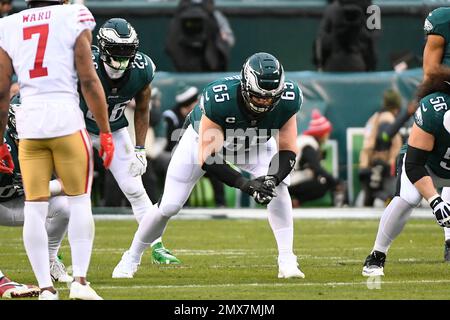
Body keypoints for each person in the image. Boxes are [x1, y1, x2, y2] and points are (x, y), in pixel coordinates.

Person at [113, 52, 306, 279]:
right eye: (258, 96)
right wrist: (246, 184)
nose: (264, 102)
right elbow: (208, 157)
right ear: (245, 88)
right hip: (204, 143)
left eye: (270, 97)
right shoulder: (220, 98)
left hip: (255, 143)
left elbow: (288, 148)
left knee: (279, 186)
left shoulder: (289, 98)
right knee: (170, 206)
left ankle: (286, 260)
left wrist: (271, 179)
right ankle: (131, 257)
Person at [0, 0, 114, 300]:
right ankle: (79, 281)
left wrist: (0, 140)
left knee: (34, 208)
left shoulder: (9, 24)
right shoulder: (73, 13)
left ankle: (47, 289)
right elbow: (88, 79)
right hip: (64, 117)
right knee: (79, 201)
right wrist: (104, 130)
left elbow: (1, 92)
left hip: (30, 121)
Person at [80, 18, 179, 267]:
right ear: (102, 48)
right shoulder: (83, 63)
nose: (122, 59)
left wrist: (139, 147)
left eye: (127, 51)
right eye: (117, 51)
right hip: (78, 128)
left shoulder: (142, 68)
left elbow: (143, 108)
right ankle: (53, 253)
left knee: (135, 189)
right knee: (71, 193)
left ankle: (156, 245)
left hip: (114, 129)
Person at [362, 72, 450, 277]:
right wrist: (435, 201)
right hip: (426, 165)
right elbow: (414, 164)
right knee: (407, 198)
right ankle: (377, 255)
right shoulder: (434, 111)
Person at [0, 100, 72, 283]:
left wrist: (41, 187)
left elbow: (71, 182)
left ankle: (49, 260)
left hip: (27, 202)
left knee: (65, 206)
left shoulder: (50, 142)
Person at [289, 109, 345, 207]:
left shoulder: (304, 141)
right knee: (323, 183)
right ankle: (295, 202)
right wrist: (334, 181)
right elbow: (317, 168)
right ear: (321, 134)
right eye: (327, 133)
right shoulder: (308, 145)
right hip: (291, 181)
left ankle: (294, 202)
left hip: (288, 179)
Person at [358, 89, 402, 207]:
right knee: (389, 198)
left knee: (369, 198)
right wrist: (388, 160)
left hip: (366, 162)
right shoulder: (387, 119)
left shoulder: (375, 117)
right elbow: (384, 138)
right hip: (379, 163)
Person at [165, 0, 234, 72]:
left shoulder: (215, 15)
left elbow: (229, 39)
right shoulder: (178, 16)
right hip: (184, 69)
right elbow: (171, 44)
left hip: (210, 70)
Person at [313, 0, 377, 72]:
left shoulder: (371, 8)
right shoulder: (332, 9)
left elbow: (375, 34)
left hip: (358, 61)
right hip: (335, 62)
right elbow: (321, 39)